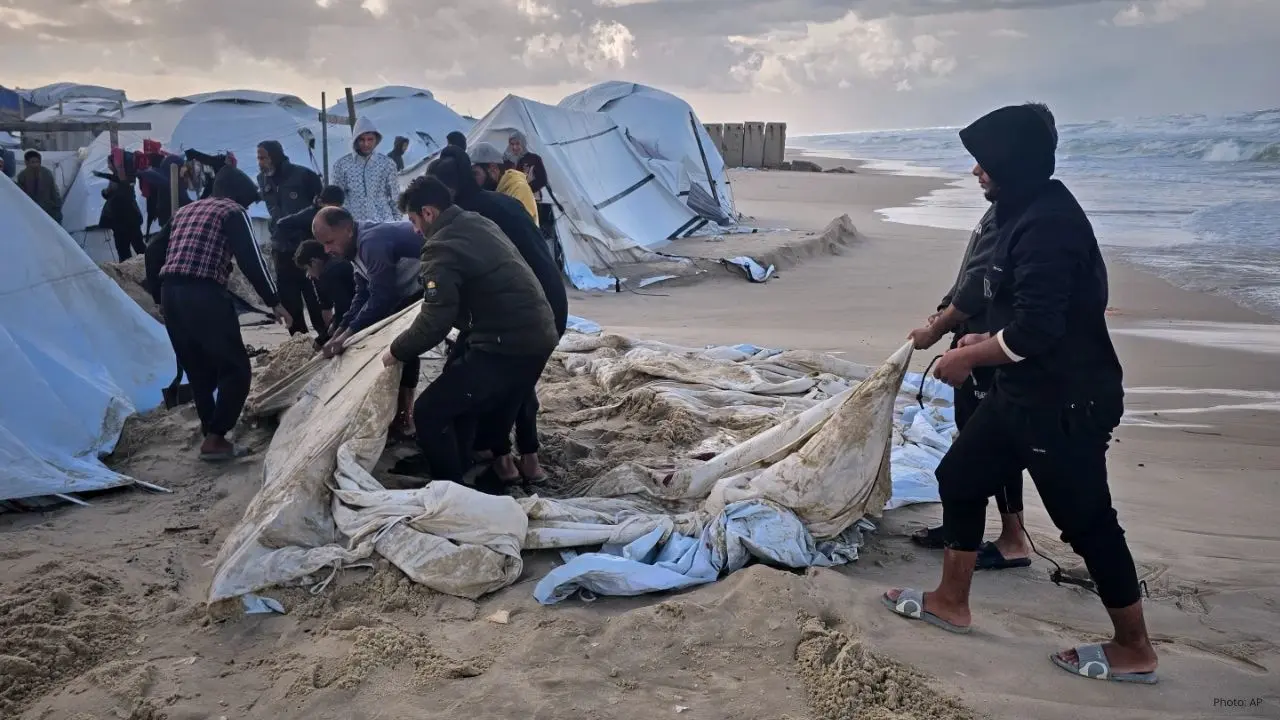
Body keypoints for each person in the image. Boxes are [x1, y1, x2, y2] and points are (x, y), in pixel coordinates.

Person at [882, 104, 1158, 685]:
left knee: (1086, 523)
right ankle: (950, 602)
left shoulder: (1050, 224)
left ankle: (1135, 648)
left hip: (1067, 404)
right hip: (1022, 392)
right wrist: (978, 337)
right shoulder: (1019, 209)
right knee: (960, 477)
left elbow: (1038, 330)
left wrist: (967, 356)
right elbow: (1010, 302)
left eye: (984, 161)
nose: (975, 171)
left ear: (1013, 162)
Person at [902, 104, 1063, 569]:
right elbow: (971, 274)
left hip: (992, 348)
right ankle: (964, 528)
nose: (976, 169)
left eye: (986, 160)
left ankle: (1012, 539)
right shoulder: (1004, 210)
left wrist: (938, 327)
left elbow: (977, 287)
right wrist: (944, 313)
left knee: (990, 445)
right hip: (979, 340)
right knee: (971, 439)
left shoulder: (1022, 218)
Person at [384, 176, 559, 489]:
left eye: (413, 221)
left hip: (506, 344)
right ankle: (477, 465)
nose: (415, 230)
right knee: (463, 388)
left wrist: (396, 351)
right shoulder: (476, 222)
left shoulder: (440, 246)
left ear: (428, 212)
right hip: (540, 332)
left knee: (429, 411)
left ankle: (451, 491)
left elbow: (436, 320)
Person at [426, 146, 568, 484]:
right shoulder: (503, 201)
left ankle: (500, 459)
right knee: (520, 380)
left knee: (494, 377)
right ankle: (528, 460)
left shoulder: (466, 217)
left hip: (525, 308)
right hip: (553, 301)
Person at [144, 166, 291, 461]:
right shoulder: (232, 211)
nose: (247, 207)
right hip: (205, 294)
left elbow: (152, 251)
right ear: (238, 196)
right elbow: (251, 259)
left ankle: (210, 432)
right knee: (236, 368)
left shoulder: (184, 211)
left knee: (198, 369)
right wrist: (274, 301)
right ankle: (216, 437)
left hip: (172, 293)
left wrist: (159, 295)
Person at [312, 206, 424, 435]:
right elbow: (362, 294)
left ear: (347, 229)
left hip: (423, 286)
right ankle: (399, 413)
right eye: (323, 245)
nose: (327, 250)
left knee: (404, 346)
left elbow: (383, 296)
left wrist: (348, 335)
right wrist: (339, 332)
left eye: (330, 242)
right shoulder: (352, 249)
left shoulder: (370, 243)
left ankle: (406, 417)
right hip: (402, 291)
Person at [256, 140, 326, 340]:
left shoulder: (304, 176)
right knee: (289, 298)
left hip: (306, 245)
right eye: (258, 158)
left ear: (275, 156)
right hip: (281, 248)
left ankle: (326, 337)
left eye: (263, 158)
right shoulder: (262, 179)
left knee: (314, 295)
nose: (260, 162)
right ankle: (300, 342)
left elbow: (320, 207)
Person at [331, 117, 401, 223]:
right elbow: (336, 200)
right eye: (362, 140)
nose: (366, 144)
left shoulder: (387, 164)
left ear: (376, 140)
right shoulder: (342, 165)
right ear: (355, 140)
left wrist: (396, 222)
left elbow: (395, 196)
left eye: (370, 139)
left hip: (384, 222)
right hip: (355, 224)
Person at [294, 238, 355, 342]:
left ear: (313, 262)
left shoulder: (330, 272)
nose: (308, 275)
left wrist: (325, 338)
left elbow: (344, 308)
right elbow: (328, 306)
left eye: (307, 269)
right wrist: (328, 332)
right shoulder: (329, 266)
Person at [468, 141, 538, 225]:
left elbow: (519, 227)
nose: (473, 180)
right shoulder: (497, 190)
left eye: (475, 174)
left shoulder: (519, 189)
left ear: (493, 169)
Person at [96, 150, 146, 261]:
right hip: (130, 217)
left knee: (125, 249)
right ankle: (146, 265)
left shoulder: (119, 179)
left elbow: (109, 194)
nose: (108, 166)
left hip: (120, 219)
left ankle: (132, 267)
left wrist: (105, 192)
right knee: (138, 246)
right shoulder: (127, 176)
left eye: (109, 163)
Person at [16, 150, 63, 223]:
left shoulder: (47, 173)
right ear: (26, 163)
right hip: (31, 212)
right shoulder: (22, 176)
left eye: (37, 162)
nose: (35, 165)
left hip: (48, 210)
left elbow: (54, 191)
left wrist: (57, 208)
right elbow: (21, 195)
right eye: (32, 162)